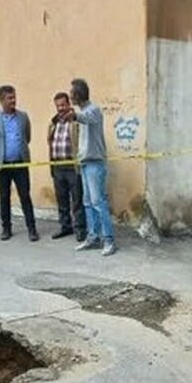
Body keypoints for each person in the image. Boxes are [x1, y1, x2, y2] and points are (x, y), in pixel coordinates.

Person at [65, 78, 117, 256]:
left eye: (72, 94)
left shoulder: (93, 110)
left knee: (98, 201)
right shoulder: (82, 112)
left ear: (78, 95)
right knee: (87, 202)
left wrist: (74, 115)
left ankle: (109, 240)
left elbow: (85, 118)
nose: (70, 97)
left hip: (95, 163)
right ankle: (93, 237)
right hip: (85, 163)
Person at [0, 85, 37, 241]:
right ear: (1, 100)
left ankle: (32, 229)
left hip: (20, 163)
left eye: (14, 97)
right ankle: (6, 228)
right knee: (4, 196)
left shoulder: (23, 117)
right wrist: (0, 152)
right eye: (9, 98)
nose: (13, 100)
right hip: (2, 165)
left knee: (25, 196)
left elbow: (27, 137)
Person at [48, 91, 84, 241]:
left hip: (72, 166)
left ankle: (80, 229)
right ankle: (65, 227)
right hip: (57, 166)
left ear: (69, 104)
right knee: (61, 199)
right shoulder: (53, 123)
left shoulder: (76, 121)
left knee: (77, 200)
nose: (61, 108)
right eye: (58, 106)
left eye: (63, 104)